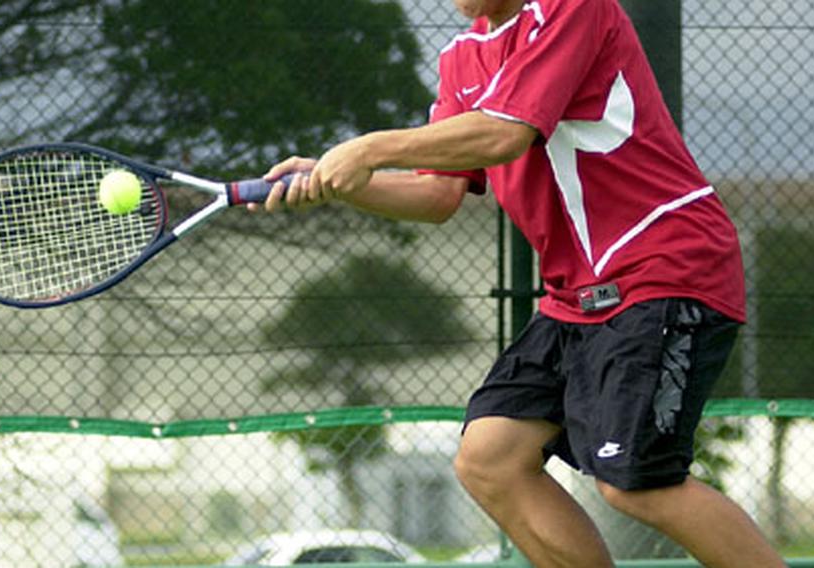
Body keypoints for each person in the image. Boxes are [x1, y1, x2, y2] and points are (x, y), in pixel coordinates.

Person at [257, 0, 786, 566]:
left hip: (665, 267)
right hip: (575, 300)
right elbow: (437, 195)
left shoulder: (575, 9)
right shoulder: (462, 58)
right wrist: (342, 183)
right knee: (492, 458)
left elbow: (504, 134)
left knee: (637, 480)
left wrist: (366, 150)